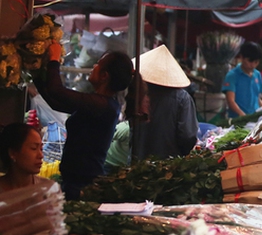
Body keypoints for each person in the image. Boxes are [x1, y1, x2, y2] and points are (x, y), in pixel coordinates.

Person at [35, 42, 134, 200]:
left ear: (104, 76)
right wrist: (36, 73)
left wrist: (54, 58)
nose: (93, 66)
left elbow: (57, 91)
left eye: (98, 64)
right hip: (75, 181)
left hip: (83, 185)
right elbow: (56, 102)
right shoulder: (100, 103)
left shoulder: (102, 105)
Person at [132, 45, 198, 159]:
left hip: (138, 161)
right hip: (169, 166)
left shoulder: (139, 94)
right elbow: (188, 136)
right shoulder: (182, 98)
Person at [0, 123, 55, 193]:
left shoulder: (48, 190)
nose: (41, 155)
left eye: (41, 149)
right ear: (13, 153)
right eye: (34, 148)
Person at [221, 42, 262, 118]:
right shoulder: (232, 75)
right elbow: (230, 101)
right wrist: (243, 116)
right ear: (241, 57)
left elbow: (257, 98)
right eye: (250, 61)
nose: (253, 65)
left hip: (255, 119)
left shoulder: (257, 75)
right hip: (238, 121)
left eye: (256, 62)